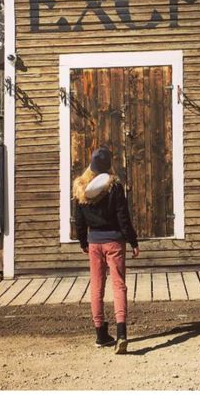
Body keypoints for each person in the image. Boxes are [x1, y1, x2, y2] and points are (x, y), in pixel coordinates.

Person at [72, 147, 140, 353]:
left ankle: (100, 334)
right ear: (109, 165)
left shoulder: (81, 187)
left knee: (96, 287)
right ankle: (121, 334)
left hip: (94, 243)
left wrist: (83, 241)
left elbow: (79, 219)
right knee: (119, 286)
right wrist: (133, 241)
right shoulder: (115, 186)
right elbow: (123, 217)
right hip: (114, 242)